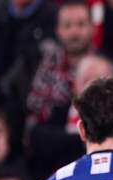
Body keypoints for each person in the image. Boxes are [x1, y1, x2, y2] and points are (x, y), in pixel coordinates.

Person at [24, 0, 95, 131]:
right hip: (52, 134)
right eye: (67, 25)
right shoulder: (48, 62)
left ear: (92, 28)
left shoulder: (102, 65)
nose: (74, 32)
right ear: (58, 30)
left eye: (81, 24)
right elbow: (35, 106)